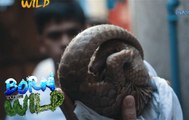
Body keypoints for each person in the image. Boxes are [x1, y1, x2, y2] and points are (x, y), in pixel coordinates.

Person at [6, 1, 143, 120]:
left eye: (73, 32)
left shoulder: (114, 86)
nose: (65, 42)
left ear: (87, 32)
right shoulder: (27, 101)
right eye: (54, 36)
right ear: (41, 44)